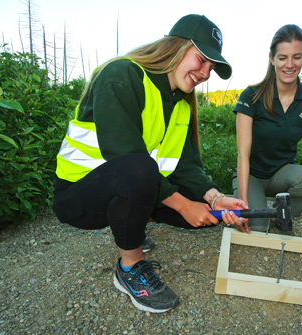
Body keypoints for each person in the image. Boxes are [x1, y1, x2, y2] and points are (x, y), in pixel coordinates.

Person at [52, 14, 247, 314]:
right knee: (142, 170)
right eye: (202, 59)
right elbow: (125, 155)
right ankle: (130, 267)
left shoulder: (182, 103)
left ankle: (132, 220)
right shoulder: (122, 74)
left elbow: (187, 166)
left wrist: (216, 199)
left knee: (202, 208)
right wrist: (181, 204)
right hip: (79, 196)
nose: (206, 72)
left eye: (213, 67)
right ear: (177, 47)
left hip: (127, 185)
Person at [232, 24, 302, 232]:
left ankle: (281, 212)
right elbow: (243, 154)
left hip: (281, 174)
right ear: (272, 58)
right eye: (283, 57)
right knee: (256, 228)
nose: (290, 64)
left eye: (297, 57)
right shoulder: (251, 96)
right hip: (252, 175)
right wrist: (242, 205)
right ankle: (259, 212)